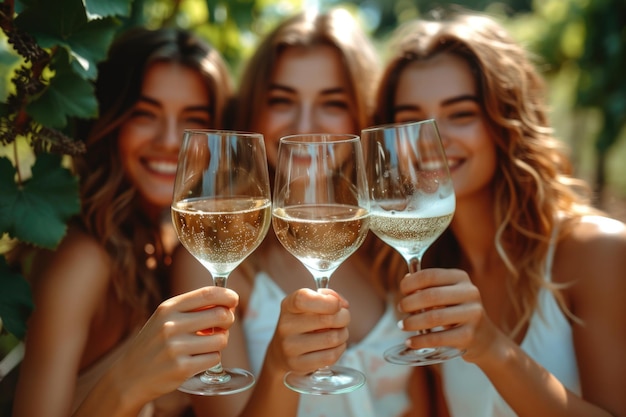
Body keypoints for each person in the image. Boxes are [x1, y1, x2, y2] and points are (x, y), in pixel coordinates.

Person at [170, 8, 429, 417]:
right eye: (282, 100)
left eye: (332, 102)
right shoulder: (214, 257)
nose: (305, 125)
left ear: (361, 115)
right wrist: (278, 365)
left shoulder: (388, 247)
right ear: (254, 111)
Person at [372, 9, 626, 417]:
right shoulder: (421, 268)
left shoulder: (597, 251)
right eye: (411, 121)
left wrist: (491, 348)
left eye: (461, 114)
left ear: (505, 123)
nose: (431, 140)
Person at [12, 26, 238, 417]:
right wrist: (128, 382)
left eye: (193, 118)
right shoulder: (83, 261)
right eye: (144, 114)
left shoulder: (161, 244)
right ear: (109, 121)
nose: (170, 139)